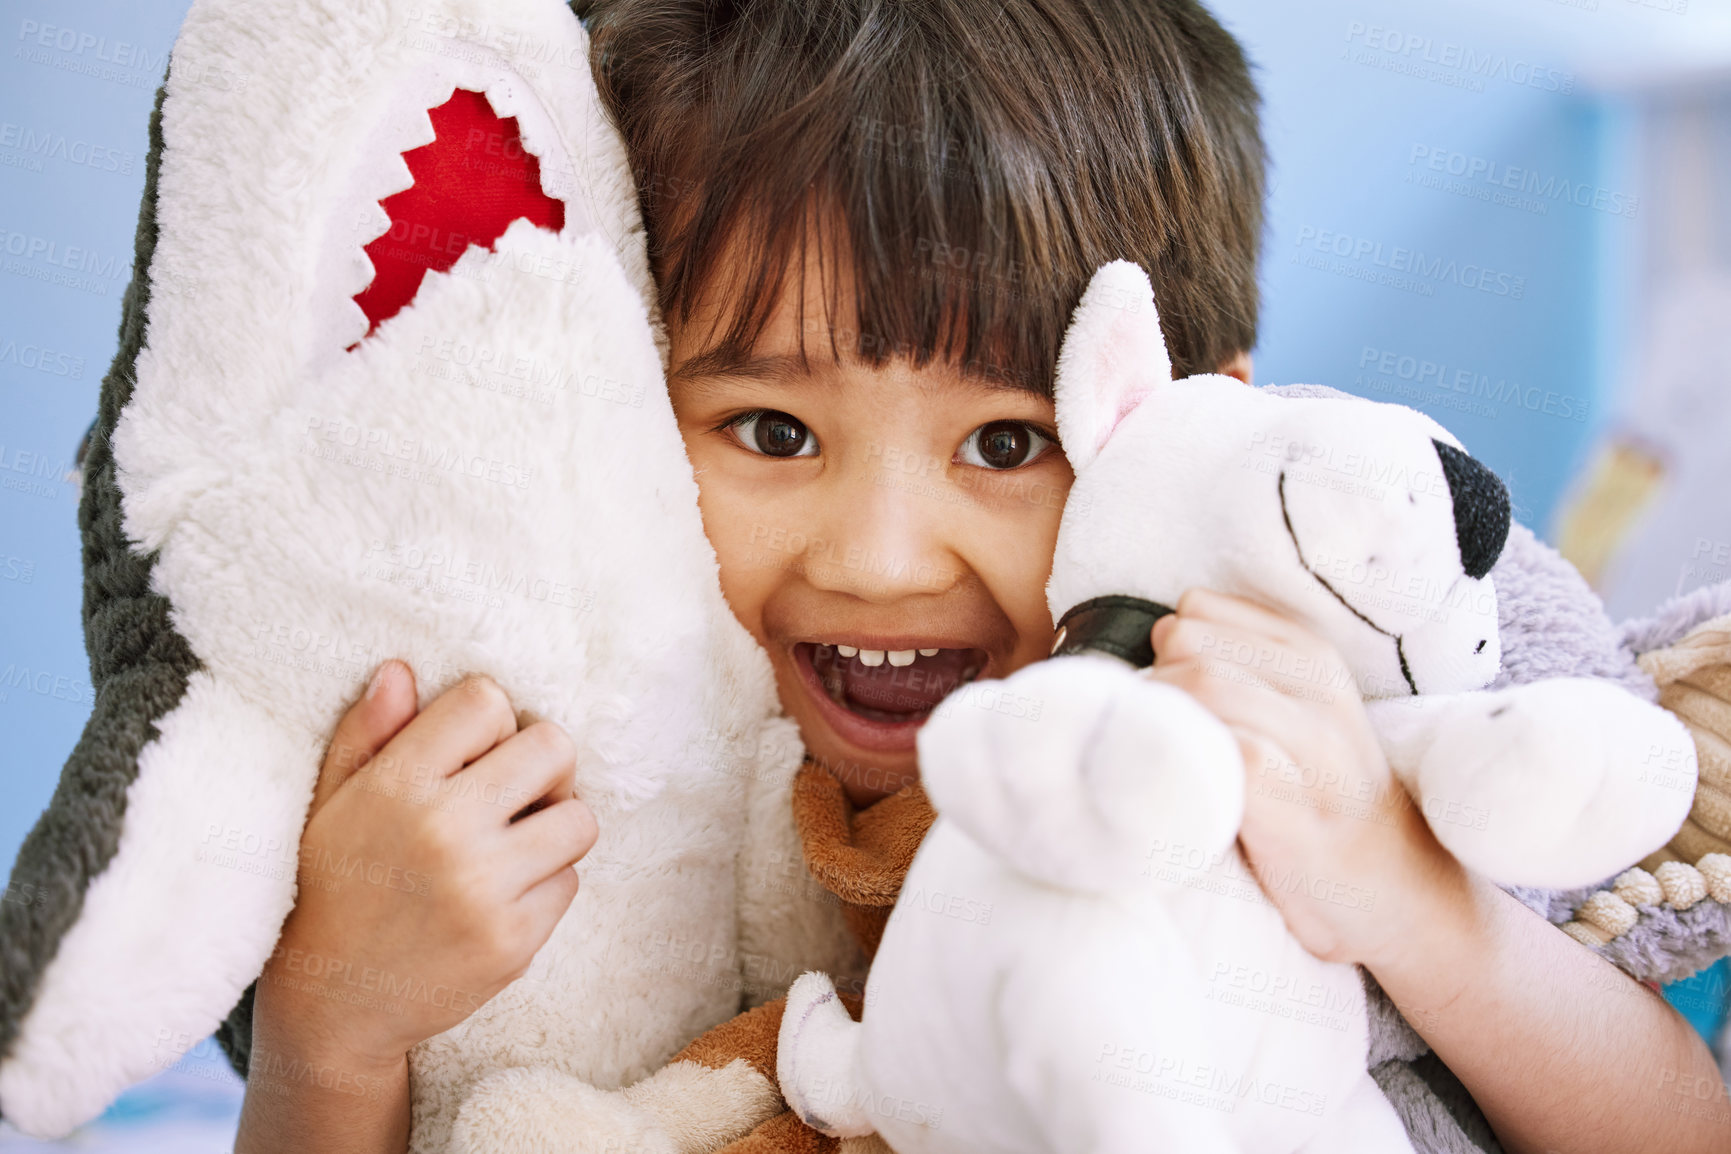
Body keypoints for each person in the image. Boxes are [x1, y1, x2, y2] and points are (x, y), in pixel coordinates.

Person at [235, 2, 1731, 1151]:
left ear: (1171, 416)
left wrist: (1405, 894)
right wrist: (333, 1029)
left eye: (1010, 441)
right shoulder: (526, 721)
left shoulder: (1293, 684)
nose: (881, 560)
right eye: (772, 429)